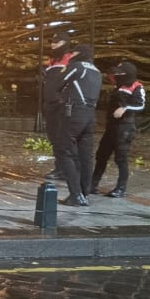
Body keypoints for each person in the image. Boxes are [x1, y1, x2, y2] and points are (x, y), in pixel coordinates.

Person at [56, 43, 102, 206]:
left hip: (75, 112)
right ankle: (84, 192)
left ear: (78, 54)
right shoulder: (97, 71)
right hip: (90, 115)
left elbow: (58, 83)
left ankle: (75, 194)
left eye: (72, 52)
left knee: (63, 149)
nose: (70, 55)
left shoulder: (77, 67)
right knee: (85, 155)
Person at [92, 60, 146, 197]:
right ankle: (92, 184)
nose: (115, 75)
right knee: (101, 155)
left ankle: (121, 188)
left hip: (125, 127)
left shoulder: (136, 87)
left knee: (121, 158)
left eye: (119, 73)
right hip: (112, 126)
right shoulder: (118, 86)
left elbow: (140, 105)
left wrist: (125, 108)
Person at [41, 31, 75, 180]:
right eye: (52, 42)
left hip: (62, 105)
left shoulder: (71, 59)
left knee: (63, 138)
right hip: (50, 104)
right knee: (54, 137)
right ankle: (60, 167)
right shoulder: (52, 60)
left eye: (57, 42)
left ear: (65, 43)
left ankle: (66, 169)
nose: (53, 44)